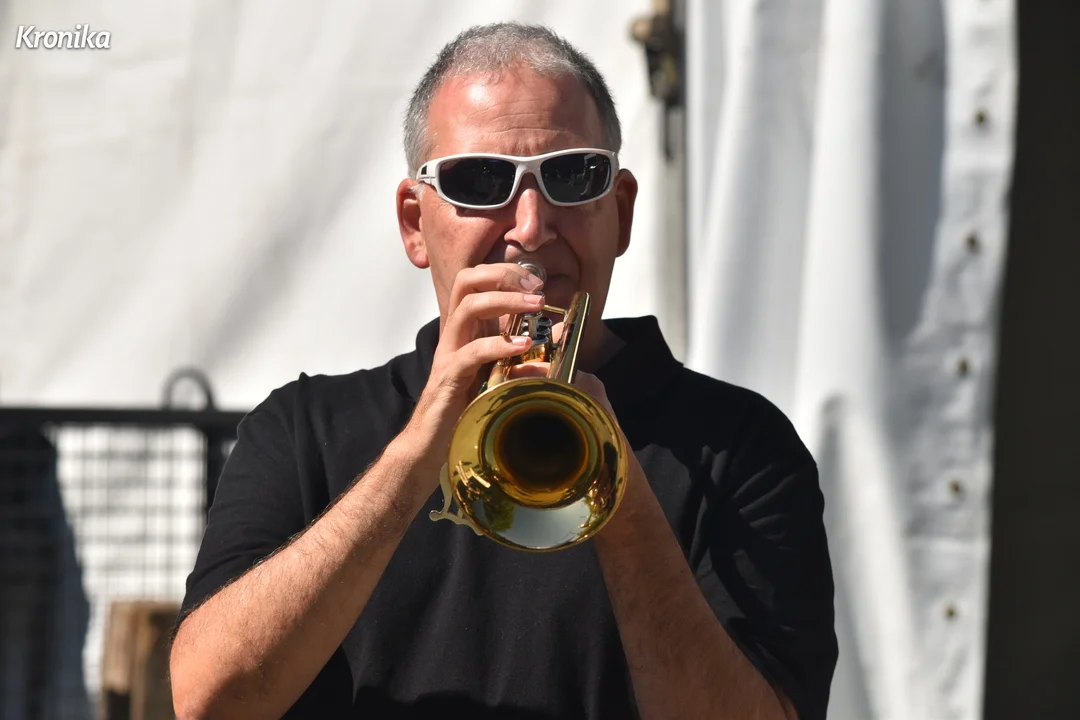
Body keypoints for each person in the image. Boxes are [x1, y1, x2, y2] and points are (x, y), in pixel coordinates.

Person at [169, 22, 837, 720]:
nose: (530, 226)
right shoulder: (303, 429)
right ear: (414, 224)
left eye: (572, 176)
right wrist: (417, 451)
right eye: (480, 180)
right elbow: (208, 700)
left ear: (621, 212)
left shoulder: (743, 445)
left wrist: (613, 482)